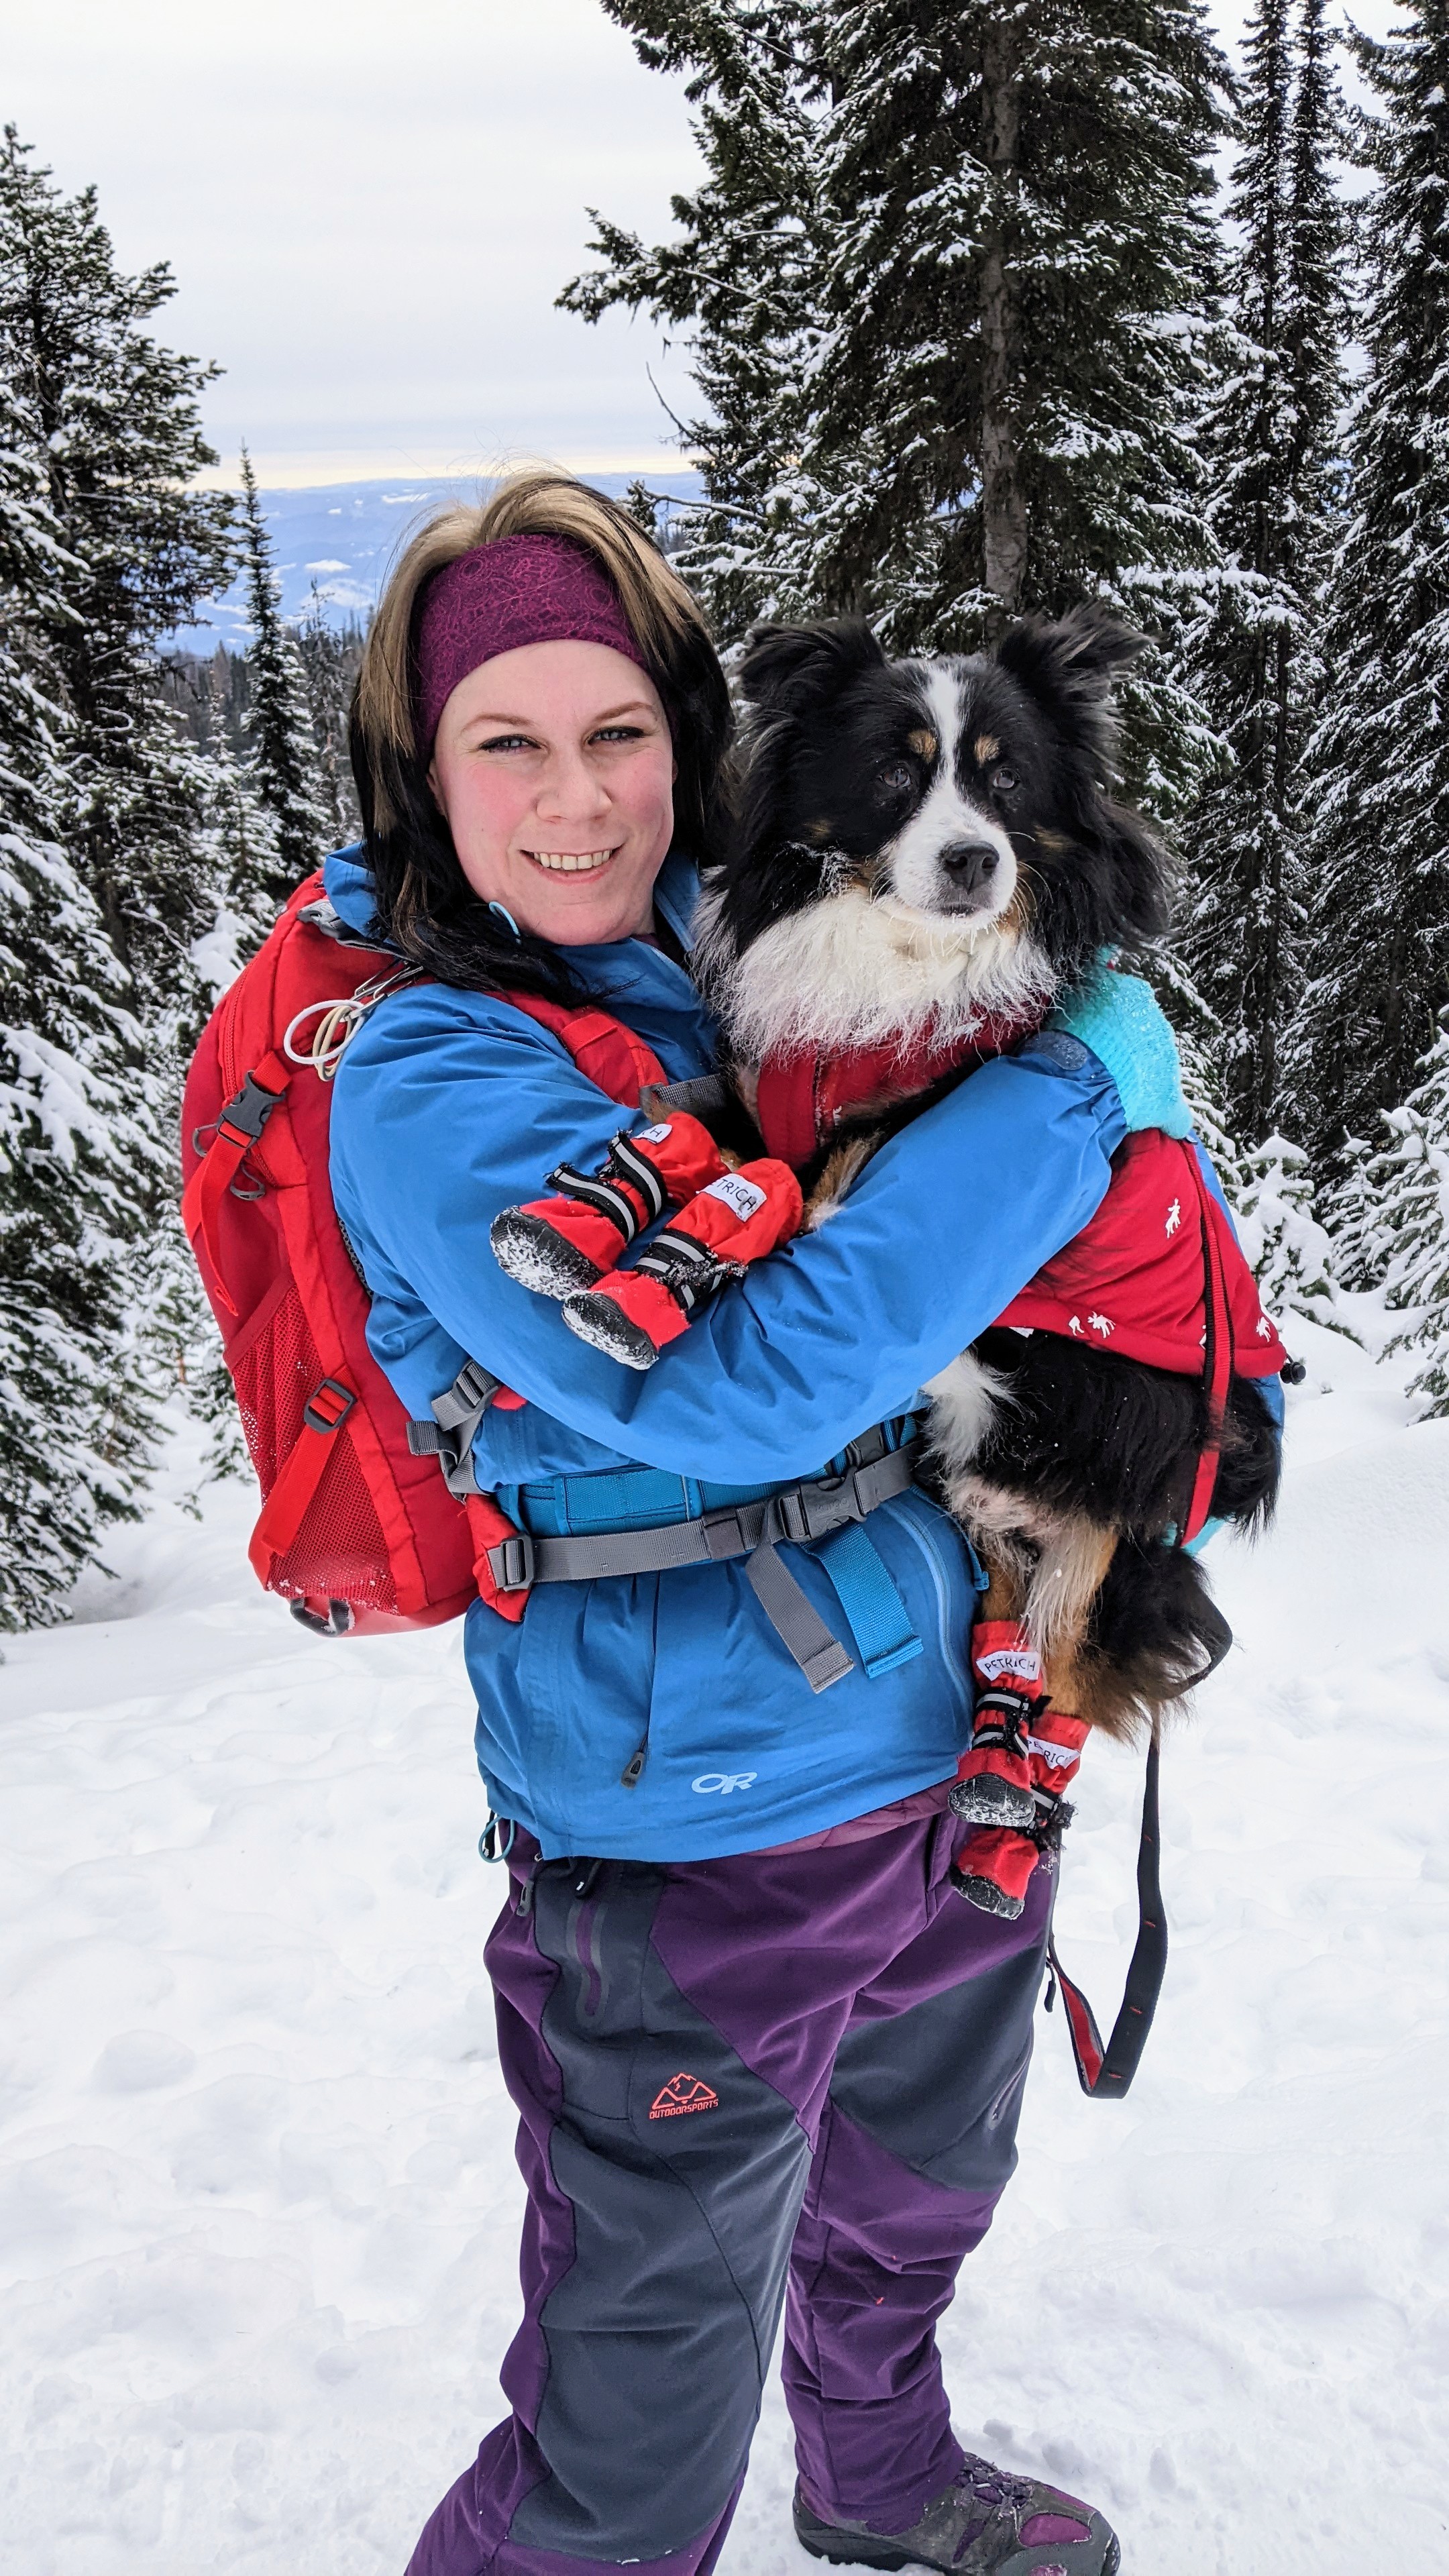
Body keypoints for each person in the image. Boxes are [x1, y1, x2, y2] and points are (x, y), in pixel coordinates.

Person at [327, 470, 1197, 2576]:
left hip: (952, 1737)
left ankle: (879, 2474)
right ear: (420, 775)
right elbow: (739, 1387)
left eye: (618, 733)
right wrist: (1082, 1096)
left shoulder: (701, 989)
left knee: (907, 2208)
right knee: (636, 2397)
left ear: (689, 748)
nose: (575, 798)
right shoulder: (435, 1074)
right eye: (502, 743)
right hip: (693, 1821)